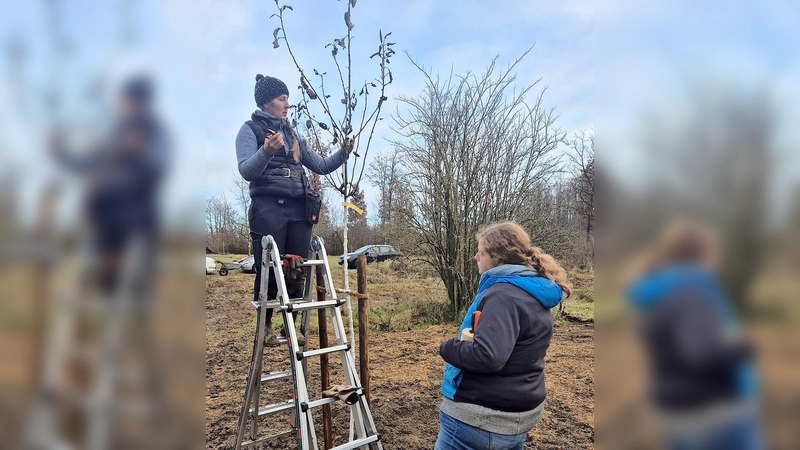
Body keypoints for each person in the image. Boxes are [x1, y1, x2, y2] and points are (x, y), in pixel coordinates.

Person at [236, 74, 351, 346]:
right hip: (268, 208)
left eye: (287, 98)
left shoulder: (292, 133)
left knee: (296, 267)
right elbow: (245, 171)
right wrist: (265, 151)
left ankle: (291, 325)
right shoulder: (249, 130)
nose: (288, 104)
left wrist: (343, 153)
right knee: (270, 268)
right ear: (267, 102)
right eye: (282, 98)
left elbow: (320, 165)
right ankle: (264, 325)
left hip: (299, 207)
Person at [627, 219, 762, 450]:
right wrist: (744, 348)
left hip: (675, 407)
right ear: (703, 254)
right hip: (715, 410)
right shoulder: (692, 292)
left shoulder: (657, 292)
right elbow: (700, 352)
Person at [436, 221, 571, 450]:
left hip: (480, 419)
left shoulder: (502, 295)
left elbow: (489, 356)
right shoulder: (533, 291)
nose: (476, 258)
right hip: (517, 417)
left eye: (481, 253)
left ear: (497, 257)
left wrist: (448, 348)